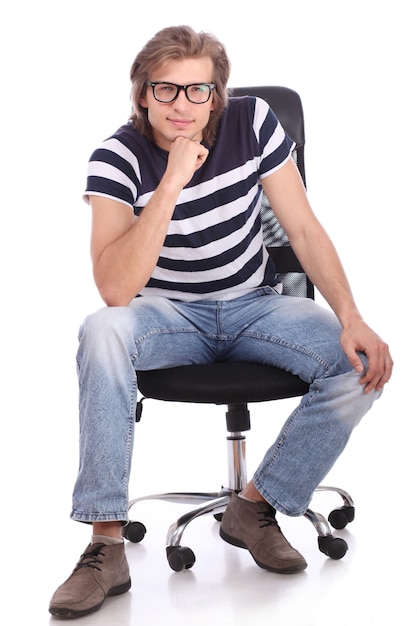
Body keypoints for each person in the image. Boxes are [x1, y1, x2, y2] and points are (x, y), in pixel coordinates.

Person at [49, 25, 393, 618]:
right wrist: (172, 182)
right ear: (142, 94)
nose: (182, 105)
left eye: (197, 91)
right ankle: (105, 545)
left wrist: (352, 316)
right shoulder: (116, 157)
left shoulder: (254, 122)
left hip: (255, 303)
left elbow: (304, 229)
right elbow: (114, 288)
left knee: (356, 360)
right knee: (100, 331)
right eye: (166, 90)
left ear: (218, 94)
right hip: (166, 315)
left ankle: (255, 505)